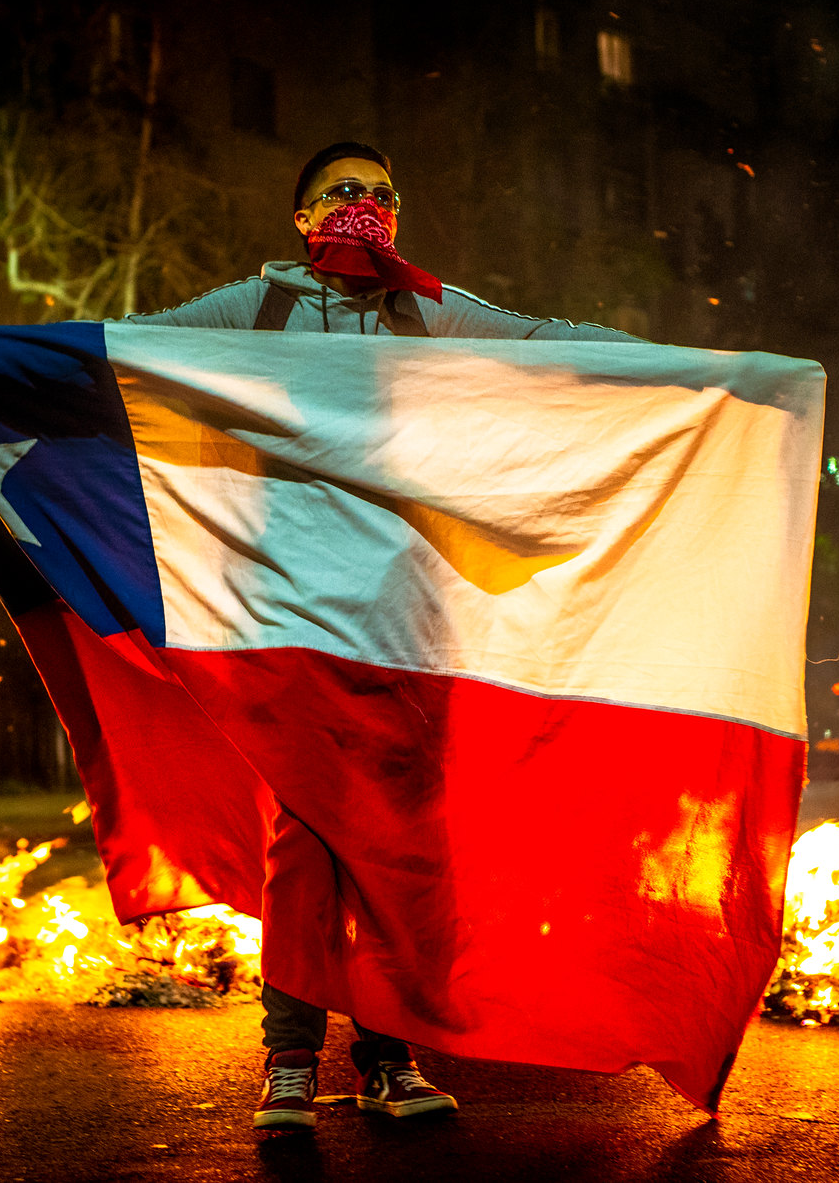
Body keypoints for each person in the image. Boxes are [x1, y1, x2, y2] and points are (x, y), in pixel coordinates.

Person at [128, 141, 644, 1132]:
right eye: (342, 192)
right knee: (306, 836)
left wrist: (685, 370)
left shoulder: (426, 310)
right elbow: (113, 349)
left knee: (398, 843)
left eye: (383, 194)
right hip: (287, 614)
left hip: (406, 620)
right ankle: (288, 1057)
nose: (365, 206)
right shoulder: (258, 308)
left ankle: (387, 1054)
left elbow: (540, 339)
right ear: (300, 215)